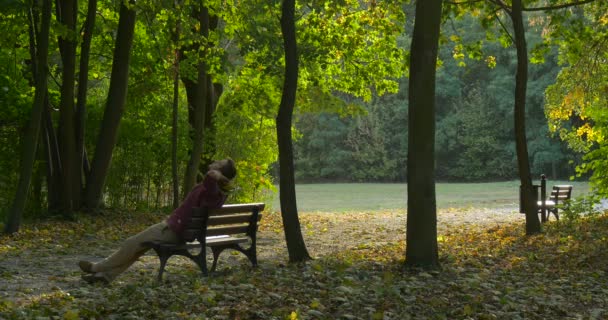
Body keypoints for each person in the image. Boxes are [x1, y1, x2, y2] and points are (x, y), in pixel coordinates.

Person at [78, 158, 237, 284]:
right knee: (137, 248)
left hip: (173, 230)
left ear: (218, 172)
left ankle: (96, 267)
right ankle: (105, 276)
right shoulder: (213, 190)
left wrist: (218, 177)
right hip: (176, 229)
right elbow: (211, 188)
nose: (215, 161)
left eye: (219, 163)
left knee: (131, 243)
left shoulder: (213, 191)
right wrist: (220, 178)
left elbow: (211, 190)